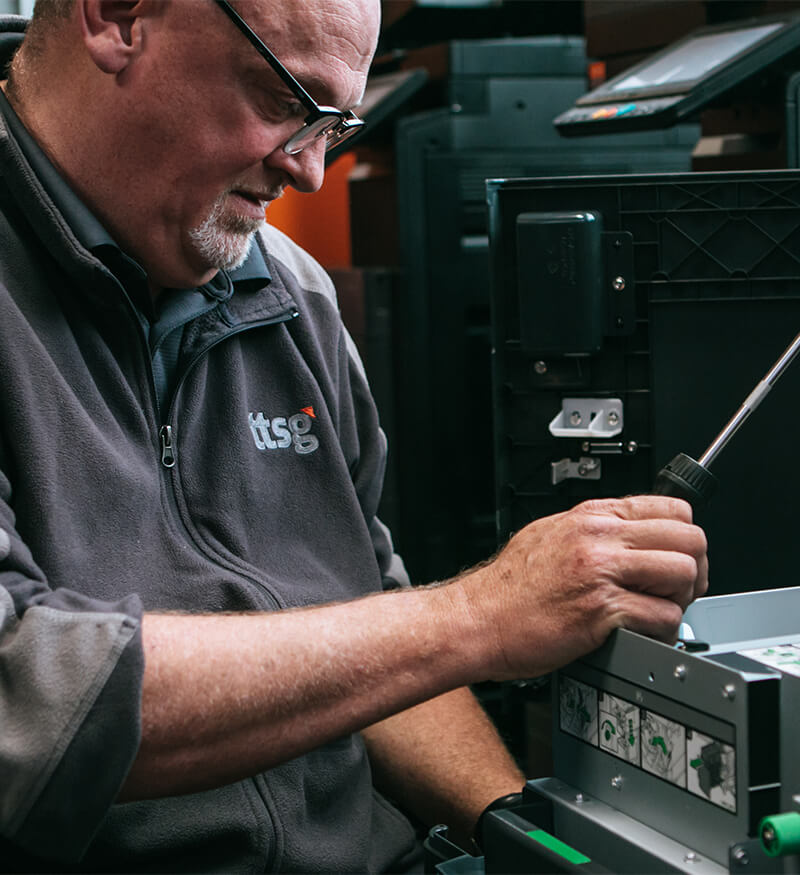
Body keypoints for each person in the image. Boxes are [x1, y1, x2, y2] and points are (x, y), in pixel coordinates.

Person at [0, 0, 708, 871]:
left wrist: (522, 834)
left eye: (332, 124)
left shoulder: (289, 297)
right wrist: (482, 615)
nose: (309, 172)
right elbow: (28, 702)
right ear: (116, 19)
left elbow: (373, 646)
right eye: (282, 97)